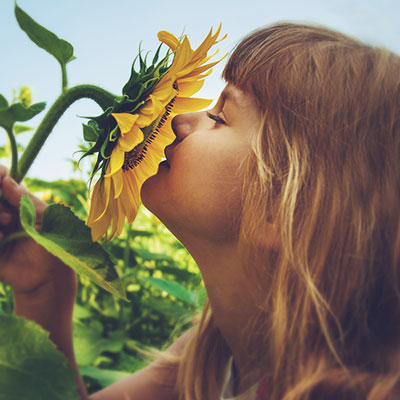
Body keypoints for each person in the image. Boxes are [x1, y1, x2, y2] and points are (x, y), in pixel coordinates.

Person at [1, 22, 400, 400]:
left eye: (220, 118)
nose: (174, 120)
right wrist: (44, 292)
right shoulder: (211, 353)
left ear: (283, 210)